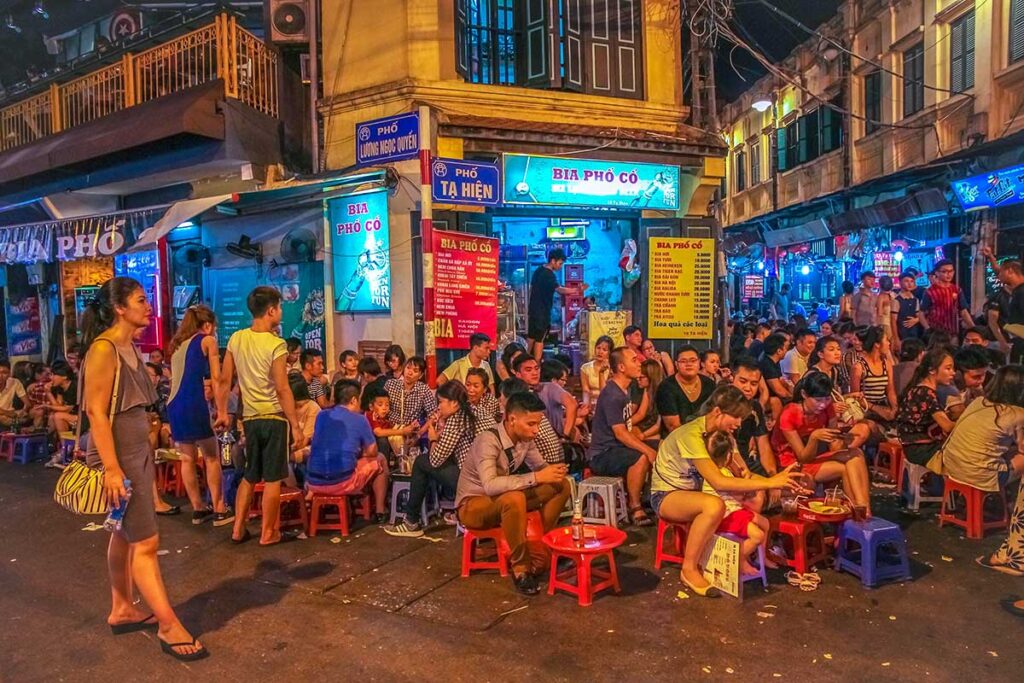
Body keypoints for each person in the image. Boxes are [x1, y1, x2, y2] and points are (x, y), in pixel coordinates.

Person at [80, 277, 207, 661]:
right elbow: (95, 413)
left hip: (135, 453)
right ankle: (168, 625)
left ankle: (122, 608)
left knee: (123, 534)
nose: (148, 305)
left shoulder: (129, 347)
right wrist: (112, 469)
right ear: (119, 308)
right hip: (119, 458)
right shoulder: (104, 349)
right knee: (145, 542)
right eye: (140, 300)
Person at [652, 386, 801, 597]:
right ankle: (689, 569)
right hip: (668, 495)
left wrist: (778, 483)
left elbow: (743, 474)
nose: (739, 423)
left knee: (754, 496)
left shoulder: (724, 437)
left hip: (697, 492)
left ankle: (742, 555)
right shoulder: (691, 435)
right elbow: (719, 482)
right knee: (714, 505)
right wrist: (770, 482)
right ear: (717, 412)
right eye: (736, 417)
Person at [216, 286, 308, 546]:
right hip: (274, 417)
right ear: (270, 311)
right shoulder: (276, 344)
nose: (281, 312)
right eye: (279, 307)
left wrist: (222, 412)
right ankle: (269, 532)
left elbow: (224, 380)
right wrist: (295, 425)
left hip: (250, 418)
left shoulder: (236, 339)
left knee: (249, 474)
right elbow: (282, 388)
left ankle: (238, 529)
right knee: (273, 478)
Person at [455, 391, 572, 595]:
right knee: (514, 497)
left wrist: (553, 472)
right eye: (531, 424)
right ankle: (521, 569)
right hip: (473, 505)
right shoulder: (488, 440)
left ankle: (541, 546)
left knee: (561, 485)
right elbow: (490, 485)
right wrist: (536, 477)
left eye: (538, 424)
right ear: (512, 419)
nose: (536, 430)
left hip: (503, 499)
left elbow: (540, 467)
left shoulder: (525, 439)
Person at [385, 381, 493, 537]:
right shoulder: (478, 410)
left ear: (454, 403)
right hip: (490, 477)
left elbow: (435, 459)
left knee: (421, 462)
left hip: (475, 482)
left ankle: (411, 522)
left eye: (441, 402)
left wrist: (433, 438)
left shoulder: (458, 418)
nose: (439, 407)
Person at [165, 305, 232, 526]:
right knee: (211, 456)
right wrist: (222, 411)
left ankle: (198, 509)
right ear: (208, 325)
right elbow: (217, 378)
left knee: (187, 458)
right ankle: (220, 508)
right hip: (194, 403)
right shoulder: (207, 340)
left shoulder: (177, 345)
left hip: (174, 405)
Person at [771, 372, 873, 515]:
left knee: (856, 453)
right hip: (791, 464)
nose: (823, 404)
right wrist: (814, 438)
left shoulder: (827, 407)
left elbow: (834, 444)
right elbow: (803, 458)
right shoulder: (790, 413)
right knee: (844, 468)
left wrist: (844, 440)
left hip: (814, 457)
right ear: (804, 395)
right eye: (818, 400)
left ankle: (863, 508)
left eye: (826, 399)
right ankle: (855, 512)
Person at [588, 347, 657, 525]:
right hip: (602, 454)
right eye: (634, 360)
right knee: (642, 456)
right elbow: (620, 433)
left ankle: (650, 498)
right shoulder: (612, 395)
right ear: (621, 367)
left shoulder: (625, 390)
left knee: (661, 446)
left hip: (618, 448)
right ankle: (635, 507)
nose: (639, 363)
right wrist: (647, 450)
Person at [940, 366, 1024, 509]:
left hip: (951, 467)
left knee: (1009, 453)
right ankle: (1016, 508)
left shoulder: (979, 402)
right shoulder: (1017, 414)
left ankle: (1004, 502)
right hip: (978, 475)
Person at [306, 380, 389, 521]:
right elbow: (372, 451)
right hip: (341, 482)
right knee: (380, 459)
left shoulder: (322, 415)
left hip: (313, 482)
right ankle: (380, 511)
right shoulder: (360, 419)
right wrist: (358, 453)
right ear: (354, 400)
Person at [702, 431, 772, 576]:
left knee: (765, 523)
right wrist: (748, 489)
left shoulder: (724, 471)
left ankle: (762, 557)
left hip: (736, 511)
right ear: (728, 455)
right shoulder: (718, 474)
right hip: (726, 516)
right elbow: (738, 494)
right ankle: (740, 559)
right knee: (758, 535)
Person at [895, 347, 956, 468]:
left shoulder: (919, 390)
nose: (953, 373)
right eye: (948, 368)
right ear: (932, 370)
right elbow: (947, 426)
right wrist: (967, 421)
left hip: (917, 447)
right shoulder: (925, 393)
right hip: (922, 449)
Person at [526, 248, 587, 360]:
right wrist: (577, 290)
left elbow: (532, 288)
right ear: (553, 261)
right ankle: (537, 365)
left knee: (531, 337)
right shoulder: (549, 274)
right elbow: (560, 290)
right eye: (560, 263)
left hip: (533, 310)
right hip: (542, 312)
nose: (560, 266)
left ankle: (523, 360)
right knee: (540, 339)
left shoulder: (538, 270)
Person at [731, 357, 777, 480]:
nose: (748, 388)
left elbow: (764, 446)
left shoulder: (755, 407)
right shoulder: (719, 404)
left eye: (754, 384)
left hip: (748, 462)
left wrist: (773, 476)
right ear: (732, 378)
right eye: (743, 381)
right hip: (726, 464)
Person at [498, 378, 564, 463]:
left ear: (510, 398)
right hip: (555, 460)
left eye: (501, 395)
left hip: (547, 462)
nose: (499, 399)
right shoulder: (532, 410)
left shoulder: (523, 415)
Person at [656, 345, 717, 432]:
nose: (689, 364)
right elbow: (673, 427)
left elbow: (714, 417)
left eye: (693, 360)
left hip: (706, 434)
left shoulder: (710, 385)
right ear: (676, 365)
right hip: (676, 436)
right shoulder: (666, 387)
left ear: (699, 363)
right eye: (683, 361)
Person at [850, 326, 897, 424]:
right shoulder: (859, 367)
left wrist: (895, 408)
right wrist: (878, 409)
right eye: (886, 340)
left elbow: (890, 390)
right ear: (877, 344)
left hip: (884, 406)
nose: (889, 343)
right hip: (867, 408)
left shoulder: (886, 364)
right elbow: (855, 397)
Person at [384, 355, 437, 436]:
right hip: (390, 429)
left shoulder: (423, 390)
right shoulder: (390, 384)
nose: (410, 373)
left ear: (421, 375)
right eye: (408, 368)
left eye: (415, 371)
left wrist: (419, 434)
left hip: (411, 432)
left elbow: (433, 415)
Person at [920, 259, 973, 339]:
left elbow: (963, 311)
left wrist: (973, 327)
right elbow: (921, 313)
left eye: (951, 271)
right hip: (936, 334)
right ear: (937, 273)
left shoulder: (957, 289)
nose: (948, 274)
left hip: (953, 333)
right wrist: (928, 329)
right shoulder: (930, 292)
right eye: (944, 271)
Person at [537, 360, 579, 440]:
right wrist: (565, 435)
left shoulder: (537, 389)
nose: (565, 383)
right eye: (563, 380)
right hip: (554, 438)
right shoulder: (552, 387)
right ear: (554, 380)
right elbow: (572, 405)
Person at [758, 333, 792, 410]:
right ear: (779, 351)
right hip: (763, 399)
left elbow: (782, 381)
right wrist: (794, 398)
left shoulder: (775, 362)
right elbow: (779, 390)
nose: (787, 351)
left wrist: (791, 389)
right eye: (786, 348)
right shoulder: (766, 364)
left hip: (772, 396)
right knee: (776, 401)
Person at [892, 271, 924, 351]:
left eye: (912, 281)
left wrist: (916, 320)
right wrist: (896, 338)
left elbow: (919, 315)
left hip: (914, 334)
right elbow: (893, 321)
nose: (909, 284)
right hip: (902, 333)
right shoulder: (897, 300)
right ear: (900, 283)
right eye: (906, 281)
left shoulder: (915, 299)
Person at [635, 359, 663, 443]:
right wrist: (624, 424)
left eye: (641, 377)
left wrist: (642, 435)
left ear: (651, 377)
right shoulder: (647, 389)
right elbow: (640, 414)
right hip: (646, 426)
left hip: (659, 432)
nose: (637, 379)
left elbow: (658, 426)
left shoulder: (663, 393)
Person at [580, 335, 612, 405]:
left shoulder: (612, 369)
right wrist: (586, 405)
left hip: (607, 403)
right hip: (590, 403)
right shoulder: (585, 368)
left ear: (609, 352)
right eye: (598, 348)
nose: (600, 352)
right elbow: (586, 391)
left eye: (604, 350)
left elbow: (608, 392)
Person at [877, 275, 895, 341]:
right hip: (894, 322)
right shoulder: (894, 295)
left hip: (885, 323)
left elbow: (879, 313)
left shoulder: (881, 297)